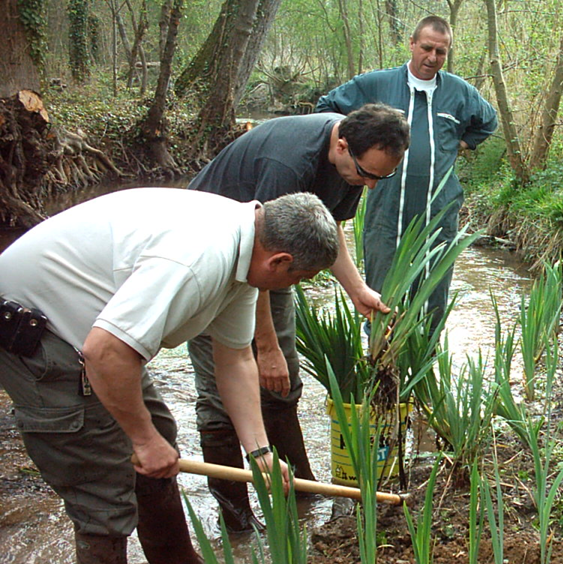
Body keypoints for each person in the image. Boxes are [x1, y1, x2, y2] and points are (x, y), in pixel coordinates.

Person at [0, 188, 340, 564]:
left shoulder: (247, 254)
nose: (292, 287)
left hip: (92, 332)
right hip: (34, 328)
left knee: (159, 435)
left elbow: (237, 357)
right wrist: (142, 442)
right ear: (280, 261)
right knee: (103, 487)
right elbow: (106, 352)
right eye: (300, 277)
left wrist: (259, 453)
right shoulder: (199, 257)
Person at [187, 103, 410, 533]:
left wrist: (357, 288)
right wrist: (265, 347)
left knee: (281, 382)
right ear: (342, 145)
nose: (371, 185)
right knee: (221, 394)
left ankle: (299, 497)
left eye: (382, 177)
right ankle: (236, 521)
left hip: (268, 258)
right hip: (208, 258)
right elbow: (259, 257)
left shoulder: (352, 165)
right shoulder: (288, 164)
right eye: (368, 174)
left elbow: (332, 231)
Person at [315, 15, 498, 328]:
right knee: (382, 290)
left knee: (433, 293)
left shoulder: (459, 92)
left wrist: (459, 145)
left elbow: (488, 121)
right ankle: (381, 362)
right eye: (426, 48)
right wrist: (350, 150)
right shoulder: (376, 85)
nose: (432, 57)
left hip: (438, 210)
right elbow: (327, 109)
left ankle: (424, 361)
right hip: (386, 209)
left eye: (441, 52)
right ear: (412, 44)